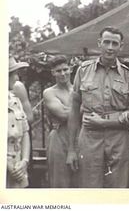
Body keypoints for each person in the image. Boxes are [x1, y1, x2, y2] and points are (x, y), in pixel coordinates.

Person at [66, 26, 129, 188]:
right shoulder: (83, 71)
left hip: (119, 140)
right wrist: (71, 150)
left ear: (121, 46)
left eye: (115, 43)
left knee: (117, 188)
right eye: (106, 42)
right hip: (90, 137)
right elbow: (74, 111)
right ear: (99, 43)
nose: (110, 48)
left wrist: (106, 122)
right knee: (90, 187)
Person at [43, 55, 77, 188]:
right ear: (53, 73)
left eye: (65, 69)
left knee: (81, 180)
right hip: (59, 137)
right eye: (58, 71)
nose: (63, 74)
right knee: (60, 181)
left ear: (71, 69)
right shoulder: (49, 92)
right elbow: (62, 115)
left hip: (79, 136)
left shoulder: (78, 89)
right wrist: (84, 109)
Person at [7, 56, 31, 188]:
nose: (17, 78)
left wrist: (25, 161)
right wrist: (9, 167)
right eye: (14, 74)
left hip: (18, 164)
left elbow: (25, 132)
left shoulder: (16, 100)